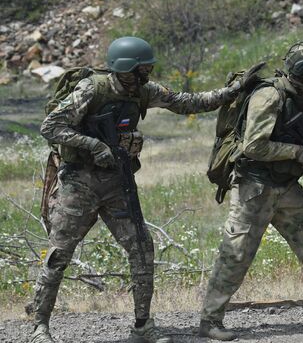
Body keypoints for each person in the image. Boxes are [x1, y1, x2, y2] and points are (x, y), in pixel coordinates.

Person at [31, 36, 259, 343]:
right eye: (145, 67)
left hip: (118, 182)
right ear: (129, 68)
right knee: (59, 254)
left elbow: (187, 102)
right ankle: (39, 328)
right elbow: (50, 126)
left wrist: (232, 91)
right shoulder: (92, 90)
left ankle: (142, 327)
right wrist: (93, 144)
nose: (149, 73)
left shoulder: (144, 91)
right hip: (79, 183)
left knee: (141, 250)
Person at [199, 40, 303, 341]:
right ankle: (210, 320)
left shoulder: (300, 99)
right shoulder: (269, 96)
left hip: (285, 187)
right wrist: (300, 154)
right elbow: (253, 146)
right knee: (236, 252)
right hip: (255, 187)